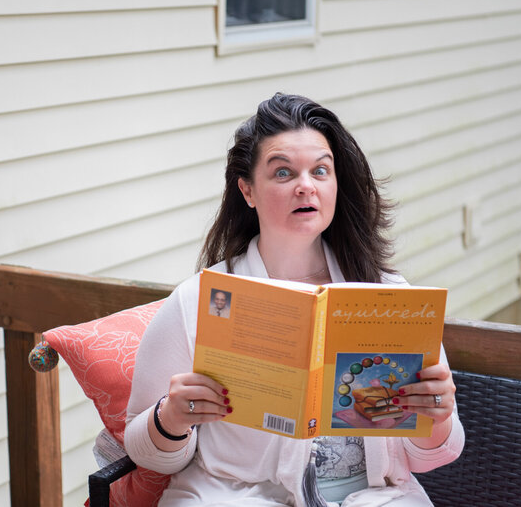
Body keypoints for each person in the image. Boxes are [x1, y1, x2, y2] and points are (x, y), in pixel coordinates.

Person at [125, 93, 464, 506]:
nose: (306, 185)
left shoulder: (389, 299)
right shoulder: (200, 299)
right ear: (248, 190)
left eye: (320, 170)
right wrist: (171, 417)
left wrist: (438, 415)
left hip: (372, 497)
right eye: (283, 172)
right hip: (232, 496)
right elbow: (144, 453)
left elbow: (432, 456)